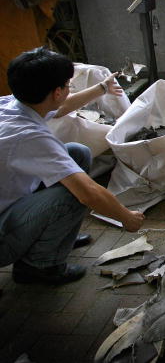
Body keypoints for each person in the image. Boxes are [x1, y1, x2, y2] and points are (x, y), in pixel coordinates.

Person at [0, 47, 145, 285]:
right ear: (57, 91)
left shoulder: (11, 104)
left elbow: (60, 107)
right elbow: (88, 193)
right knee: (73, 194)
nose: (69, 89)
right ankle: (39, 266)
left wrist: (102, 88)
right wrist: (126, 217)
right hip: (2, 237)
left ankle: (52, 237)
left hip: (9, 203)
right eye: (68, 85)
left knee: (78, 153)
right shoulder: (30, 136)